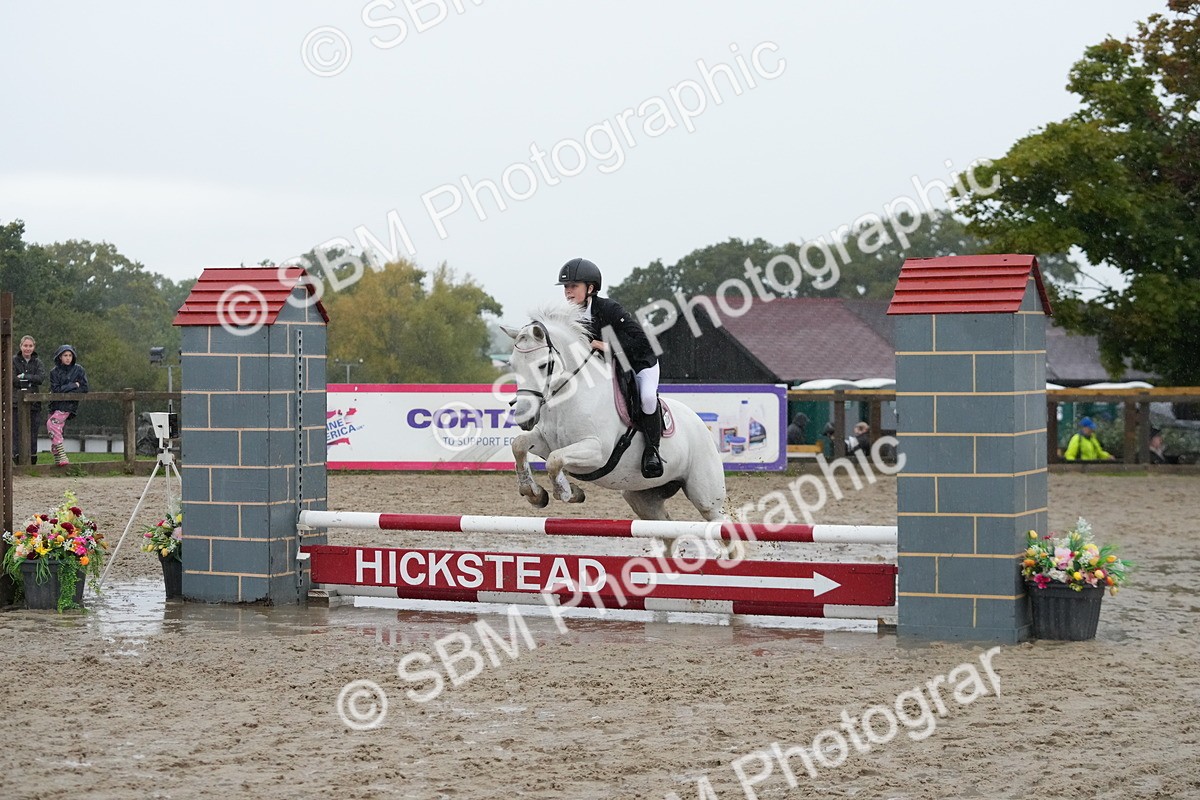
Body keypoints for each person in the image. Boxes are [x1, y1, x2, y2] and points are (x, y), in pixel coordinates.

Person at [558, 257, 664, 479]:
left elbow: (642, 341)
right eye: (566, 287)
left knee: (646, 398)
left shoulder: (609, 309)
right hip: (606, 367)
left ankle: (652, 451)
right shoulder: (567, 316)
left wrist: (601, 344)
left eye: (573, 286)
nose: (568, 292)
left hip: (639, 362)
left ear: (591, 288)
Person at [47, 344, 88, 466]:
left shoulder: (79, 370)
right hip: (55, 404)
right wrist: (73, 385)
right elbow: (56, 389)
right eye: (65, 355)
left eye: (70, 355)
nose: (68, 358)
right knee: (53, 430)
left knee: (52, 423)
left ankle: (63, 455)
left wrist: (68, 389)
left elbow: (85, 388)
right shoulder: (54, 372)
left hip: (68, 405)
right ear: (60, 357)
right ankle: (58, 460)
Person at [11, 335, 45, 464]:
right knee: (16, 431)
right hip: (16, 402)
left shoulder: (37, 362)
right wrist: (30, 380)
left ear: (34, 347)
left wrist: (25, 376)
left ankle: (32, 456)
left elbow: (40, 378)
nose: (28, 348)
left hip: (34, 402)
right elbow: (13, 379)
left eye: (30, 346)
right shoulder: (13, 361)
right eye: (25, 345)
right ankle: (17, 456)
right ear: (21, 346)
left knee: (33, 430)